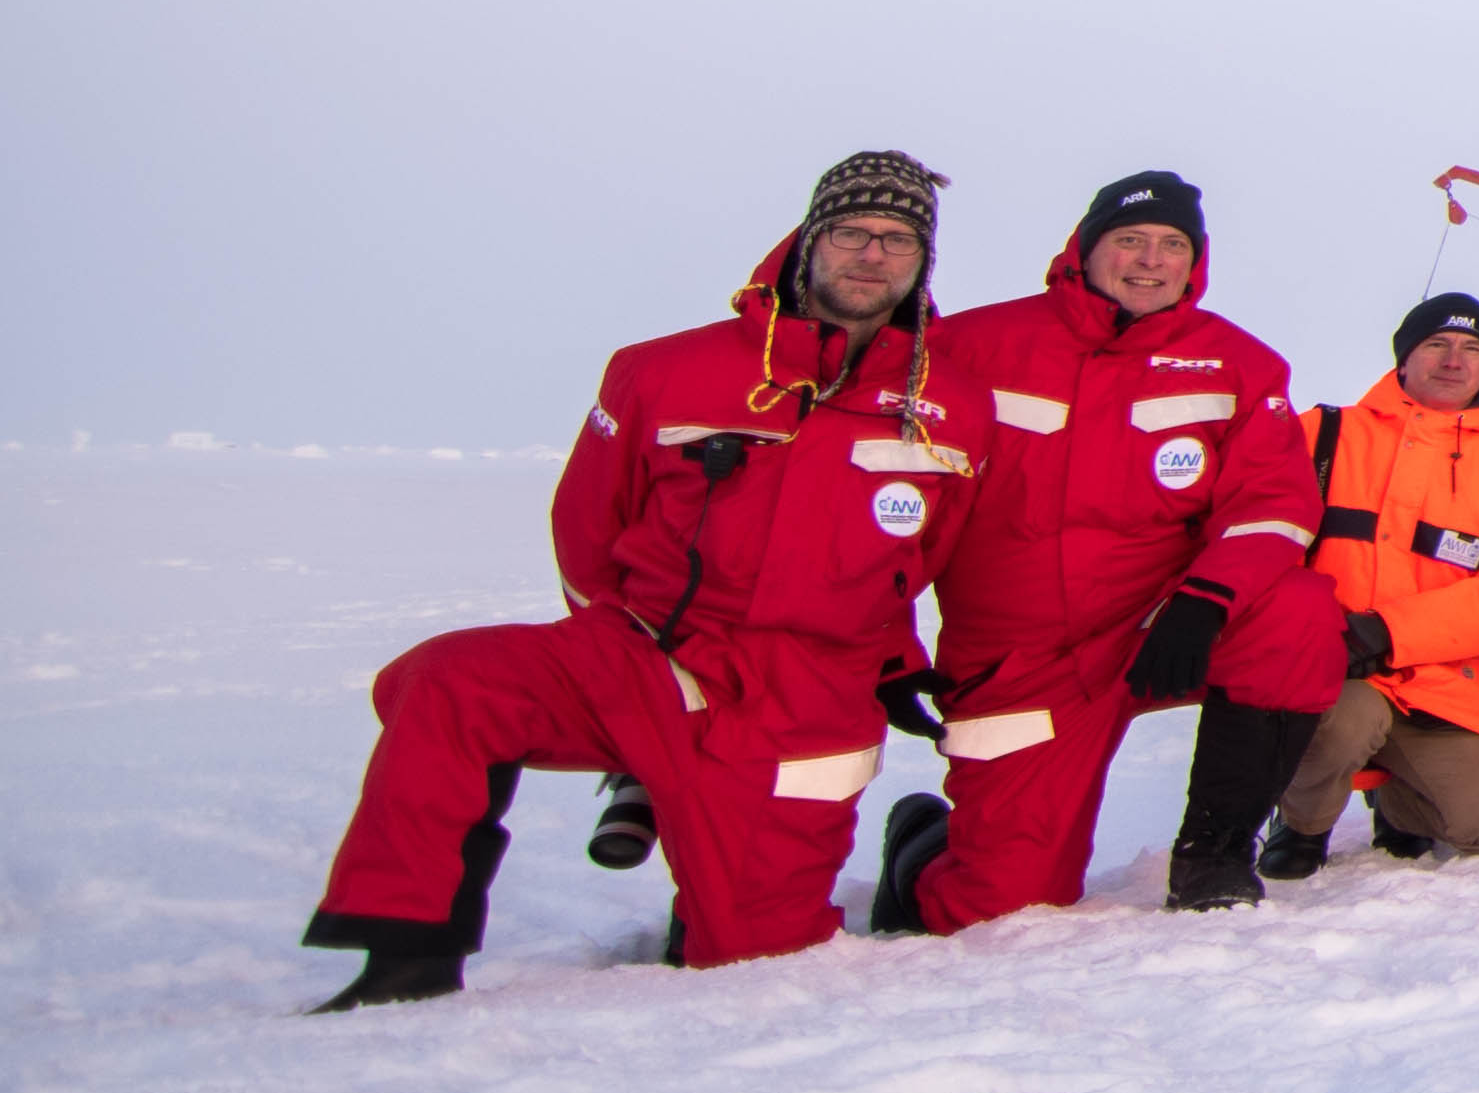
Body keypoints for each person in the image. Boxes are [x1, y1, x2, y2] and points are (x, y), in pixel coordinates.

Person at [303, 151, 991, 1002]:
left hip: (804, 698)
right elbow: (589, 523)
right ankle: (404, 961)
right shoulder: (660, 370)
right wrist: (629, 646)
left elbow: (926, 552)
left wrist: (882, 656)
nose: (872, 254)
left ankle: (895, 852)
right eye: (851, 231)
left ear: (923, 261)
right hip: (645, 654)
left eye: (897, 239)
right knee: (450, 681)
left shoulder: (955, 403)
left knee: (753, 967)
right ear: (809, 241)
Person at [885, 169, 1341, 928]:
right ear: (1084, 250)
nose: (1150, 260)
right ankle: (921, 846)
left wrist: (1204, 601)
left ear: (1194, 262)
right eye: (1130, 240)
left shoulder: (1238, 362)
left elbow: (1273, 504)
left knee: (1296, 615)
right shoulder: (972, 346)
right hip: (1020, 655)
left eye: (1171, 245)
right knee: (1002, 906)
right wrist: (888, 640)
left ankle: (1217, 854)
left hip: (1163, 628)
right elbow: (895, 509)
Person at [1253, 290, 1479, 876]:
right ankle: (1301, 822)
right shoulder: (1321, 434)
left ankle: (1399, 802)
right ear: (1403, 358)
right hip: (1331, 668)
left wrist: (1386, 633)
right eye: (1436, 344)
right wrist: (1317, 630)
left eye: (1472, 349)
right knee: (1343, 723)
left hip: (1443, 684)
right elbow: (1265, 539)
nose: (1453, 360)